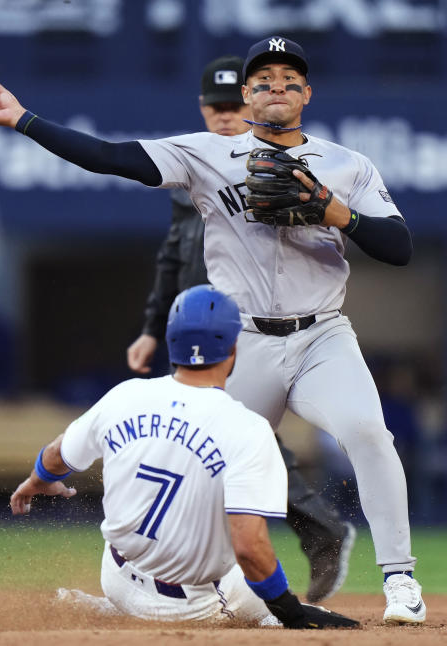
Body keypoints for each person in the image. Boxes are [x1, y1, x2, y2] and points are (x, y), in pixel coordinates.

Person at [0, 34, 425, 624]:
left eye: (289, 80)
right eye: (263, 82)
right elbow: (111, 157)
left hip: (321, 336)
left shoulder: (348, 165)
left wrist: (333, 210)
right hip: (245, 348)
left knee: (367, 431)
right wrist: (24, 119)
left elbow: (400, 248)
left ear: (307, 94)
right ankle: (135, 588)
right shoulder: (207, 153)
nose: (276, 89)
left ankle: (400, 581)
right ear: (248, 96)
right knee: (189, 463)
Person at [126, 54, 355, 604]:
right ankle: (297, 538)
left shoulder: (272, 169)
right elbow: (171, 258)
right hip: (191, 330)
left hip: (241, 329)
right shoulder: (194, 170)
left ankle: (202, 563)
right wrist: (153, 329)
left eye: (236, 106)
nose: (227, 116)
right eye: (218, 106)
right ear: (205, 109)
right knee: (228, 441)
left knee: (235, 441)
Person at [10, 285, 358, 629]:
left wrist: (37, 481)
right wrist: (290, 612)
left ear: (171, 342)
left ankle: (116, 610)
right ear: (233, 347)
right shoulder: (247, 428)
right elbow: (250, 547)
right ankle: (266, 621)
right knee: (274, 608)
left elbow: (58, 453)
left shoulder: (124, 396)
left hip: (115, 576)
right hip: (191, 605)